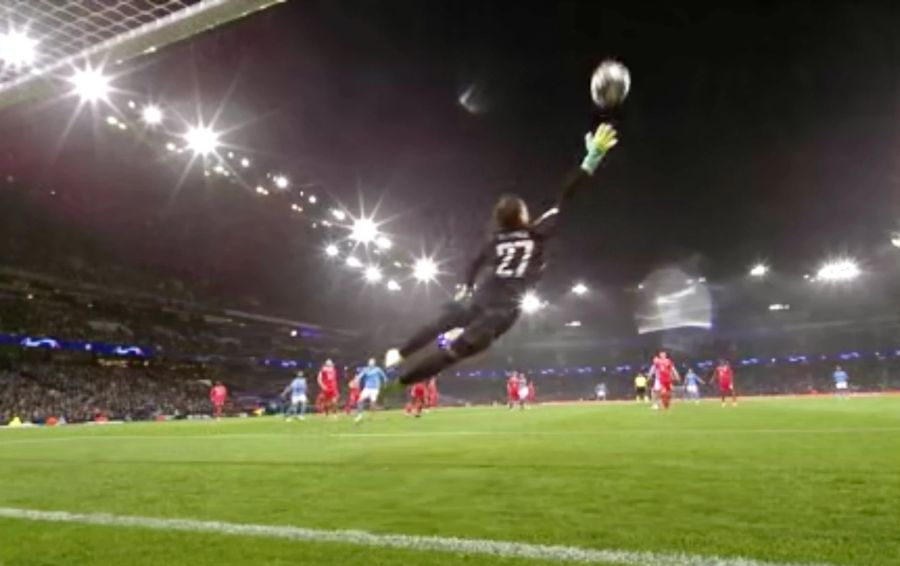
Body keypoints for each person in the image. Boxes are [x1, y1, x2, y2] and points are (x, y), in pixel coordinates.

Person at [383, 124, 618, 384]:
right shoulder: (536, 233)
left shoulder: (495, 240)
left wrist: (467, 287)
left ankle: (400, 353)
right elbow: (566, 197)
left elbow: (474, 263)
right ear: (521, 215)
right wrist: (590, 160)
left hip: (482, 296)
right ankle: (400, 383)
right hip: (503, 310)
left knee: (441, 324)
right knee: (454, 351)